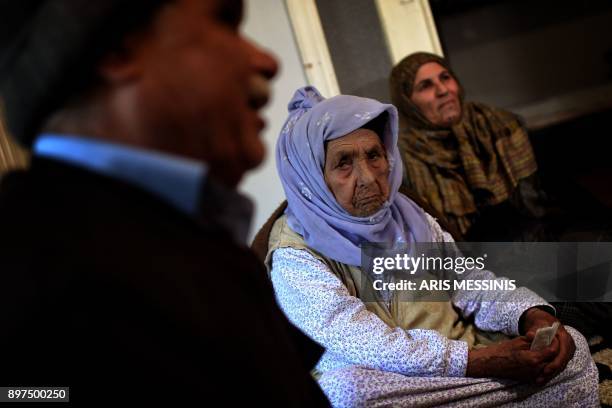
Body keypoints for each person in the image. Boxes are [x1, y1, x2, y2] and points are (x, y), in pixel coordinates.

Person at [0, 1, 328, 405]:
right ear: (119, 49)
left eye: (377, 153)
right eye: (225, 21)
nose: (267, 61)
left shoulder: (189, 232)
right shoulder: (35, 269)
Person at [265, 85, 598, 407]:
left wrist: (530, 315)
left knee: (572, 349)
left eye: (373, 155)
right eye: (344, 163)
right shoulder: (295, 254)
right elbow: (365, 341)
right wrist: (478, 363)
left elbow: (469, 283)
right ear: (311, 178)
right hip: (401, 377)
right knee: (346, 395)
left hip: (463, 362)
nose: (367, 177)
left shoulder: (408, 216)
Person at [389, 52, 552, 241]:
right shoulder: (404, 161)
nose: (443, 90)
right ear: (408, 103)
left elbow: (542, 201)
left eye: (445, 78)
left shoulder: (500, 125)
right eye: (425, 86)